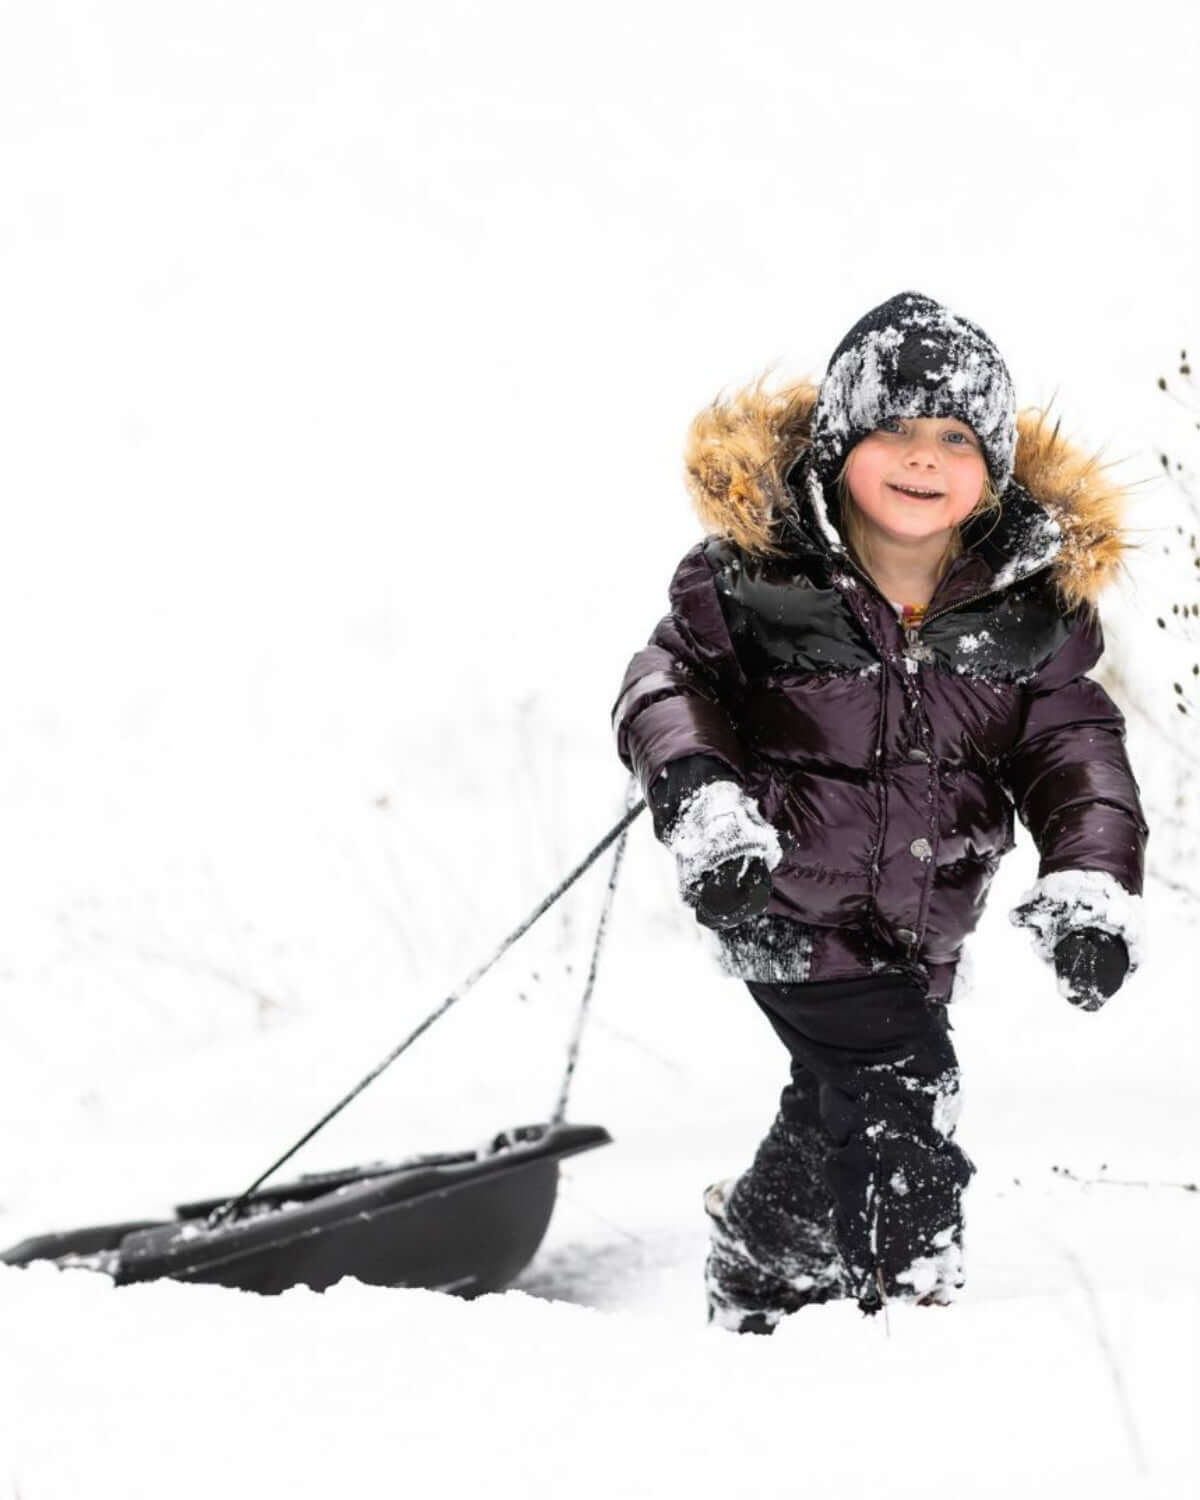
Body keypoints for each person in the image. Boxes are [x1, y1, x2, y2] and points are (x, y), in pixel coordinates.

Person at [611, 291, 1148, 1332]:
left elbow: (1074, 753)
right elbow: (665, 688)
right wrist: (703, 801)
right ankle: (901, 1316)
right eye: (895, 428)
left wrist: (1089, 882)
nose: (924, 456)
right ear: (840, 444)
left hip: (918, 920)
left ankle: (761, 1263)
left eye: (955, 436)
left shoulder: (1030, 612)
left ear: (992, 464)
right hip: (778, 898)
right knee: (905, 1083)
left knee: (835, 1108)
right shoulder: (756, 582)